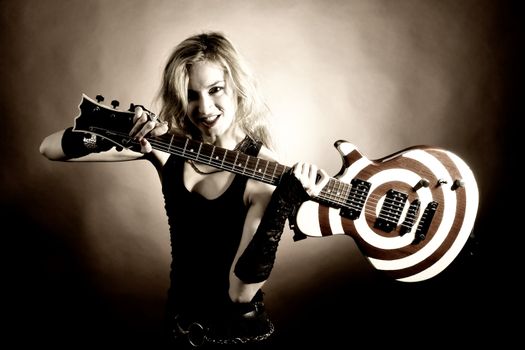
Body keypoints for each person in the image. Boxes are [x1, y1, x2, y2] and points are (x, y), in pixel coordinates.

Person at [39, 31, 329, 348]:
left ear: (238, 89)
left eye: (216, 90)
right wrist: (122, 128)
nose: (204, 107)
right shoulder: (167, 147)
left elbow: (240, 293)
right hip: (176, 331)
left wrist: (282, 202)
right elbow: (50, 148)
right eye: (192, 95)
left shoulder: (264, 172)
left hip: (236, 340)